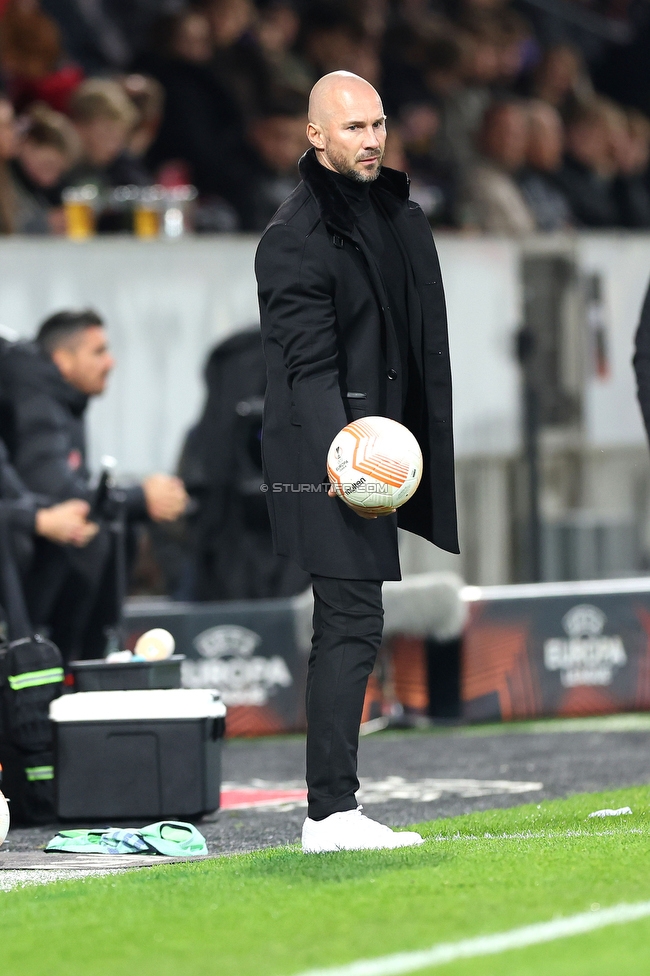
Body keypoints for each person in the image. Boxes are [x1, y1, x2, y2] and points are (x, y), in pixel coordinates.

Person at [255, 71, 458, 852]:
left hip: (380, 449)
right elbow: (303, 370)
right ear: (315, 137)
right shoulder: (294, 238)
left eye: (377, 125)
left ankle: (333, 810)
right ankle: (330, 815)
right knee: (349, 622)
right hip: (329, 456)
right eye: (352, 129)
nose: (371, 139)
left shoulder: (392, 208)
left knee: (353, 622)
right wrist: (353, 461)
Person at [3, 309, 188, 660]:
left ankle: (88, 660)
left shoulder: (64, 398)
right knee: (92, 532)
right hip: (20, 556)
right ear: (63, 360)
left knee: (116, 527)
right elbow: (56, 496)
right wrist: (138, 497)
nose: (111, 362)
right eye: (98, 351)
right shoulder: (33, 398)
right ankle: (70, 664)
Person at [459, 99, 536, 233]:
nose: (509, 142)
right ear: (483, 133)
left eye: (516, 135)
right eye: (502, 132)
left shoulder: (513, 180)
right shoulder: (477, 182)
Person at [517, 100, 573, 231]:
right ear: (528, 137)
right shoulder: (516, 184)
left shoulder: (553, 182)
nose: (560, 144)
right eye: (552, 134)